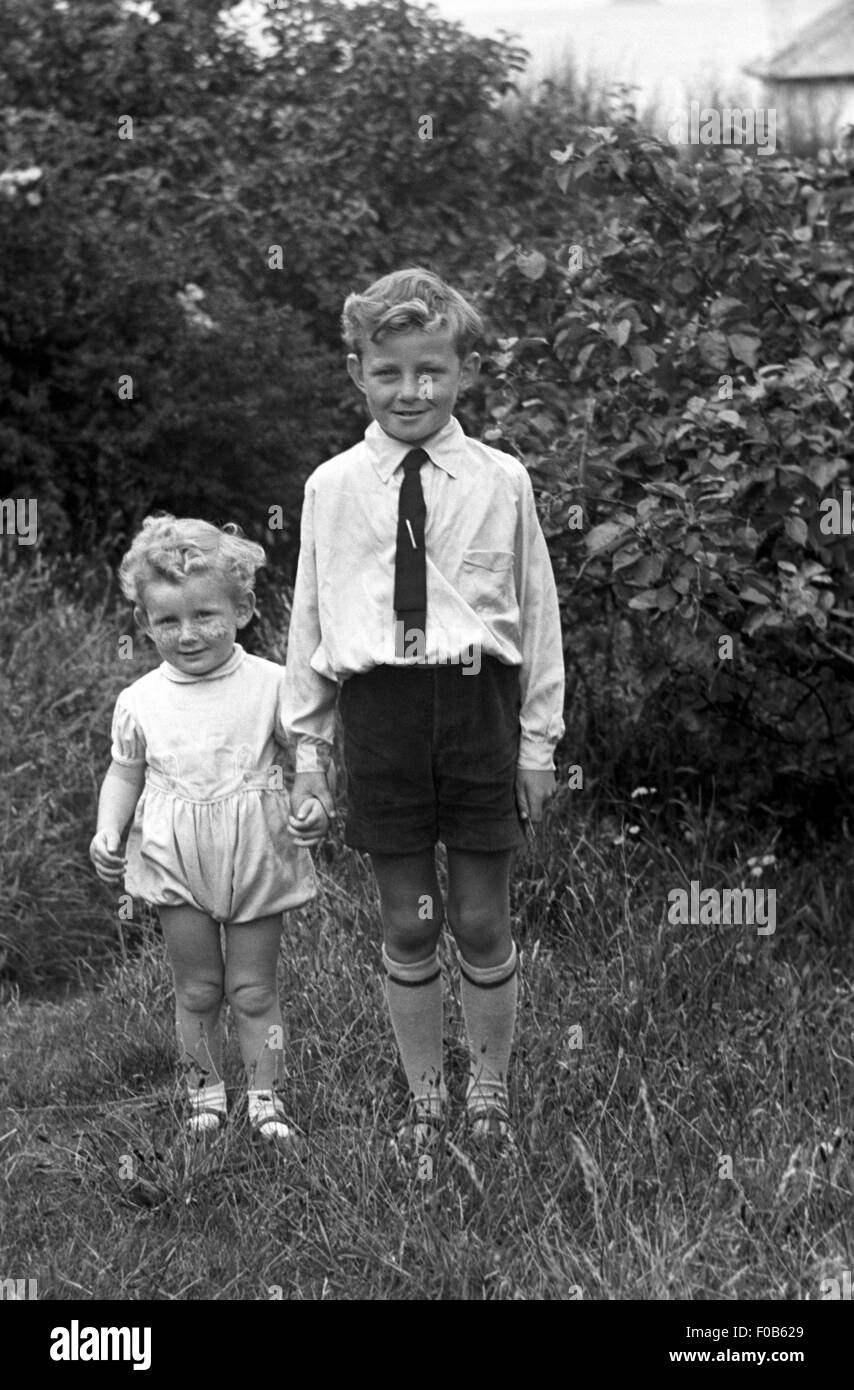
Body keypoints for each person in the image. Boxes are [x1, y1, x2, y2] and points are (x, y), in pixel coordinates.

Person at [283, 268, 565, 1165]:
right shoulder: (333, 487)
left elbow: (539, 613)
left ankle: (489, 1089)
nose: (413, 391)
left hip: (478, 706)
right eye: (391, 371)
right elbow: (310, 622)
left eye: (433, 371)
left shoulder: (502, 479)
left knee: (481, 918)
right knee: (408, 919)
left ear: (464, 371)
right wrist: (308, 751)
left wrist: (538, 743)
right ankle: (425, 1098)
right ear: (357, 372)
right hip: (382, 715)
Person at [90, 515, 330, 1149]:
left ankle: (265, 1098)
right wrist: (108, 830)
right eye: (167, 621)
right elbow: (125, 773)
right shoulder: (140, 699)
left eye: (205, 616)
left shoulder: (274, 684)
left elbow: (306, 754)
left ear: (243, 609)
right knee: (197, 986)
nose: (188, 634)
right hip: (175, 856)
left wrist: (313, 803)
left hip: (254, 851)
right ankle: (205, 1097)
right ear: (144, 624)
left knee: (253, 987)